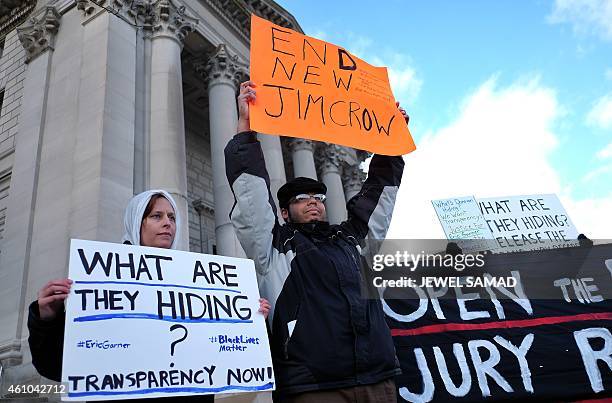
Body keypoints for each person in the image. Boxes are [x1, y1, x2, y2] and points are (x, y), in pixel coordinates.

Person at [224, 81, 409, 402]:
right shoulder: (274, 247)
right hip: (313, 387)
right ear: (284, 211)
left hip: (377, 381)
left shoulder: (352, 241)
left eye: (318, 196)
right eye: (301, 198)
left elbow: (380, 194)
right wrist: (245, 129)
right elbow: (251, 195)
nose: (313, 202)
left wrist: (392, 143)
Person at [28, 189, 271, 402]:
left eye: (172, 217)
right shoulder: (104, 281)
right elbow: (52, 366)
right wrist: (46, 319)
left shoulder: (196, 282)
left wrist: (251, 319)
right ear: (137, 222)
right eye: (157, 216)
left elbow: (232, 355)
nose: (168, 223)